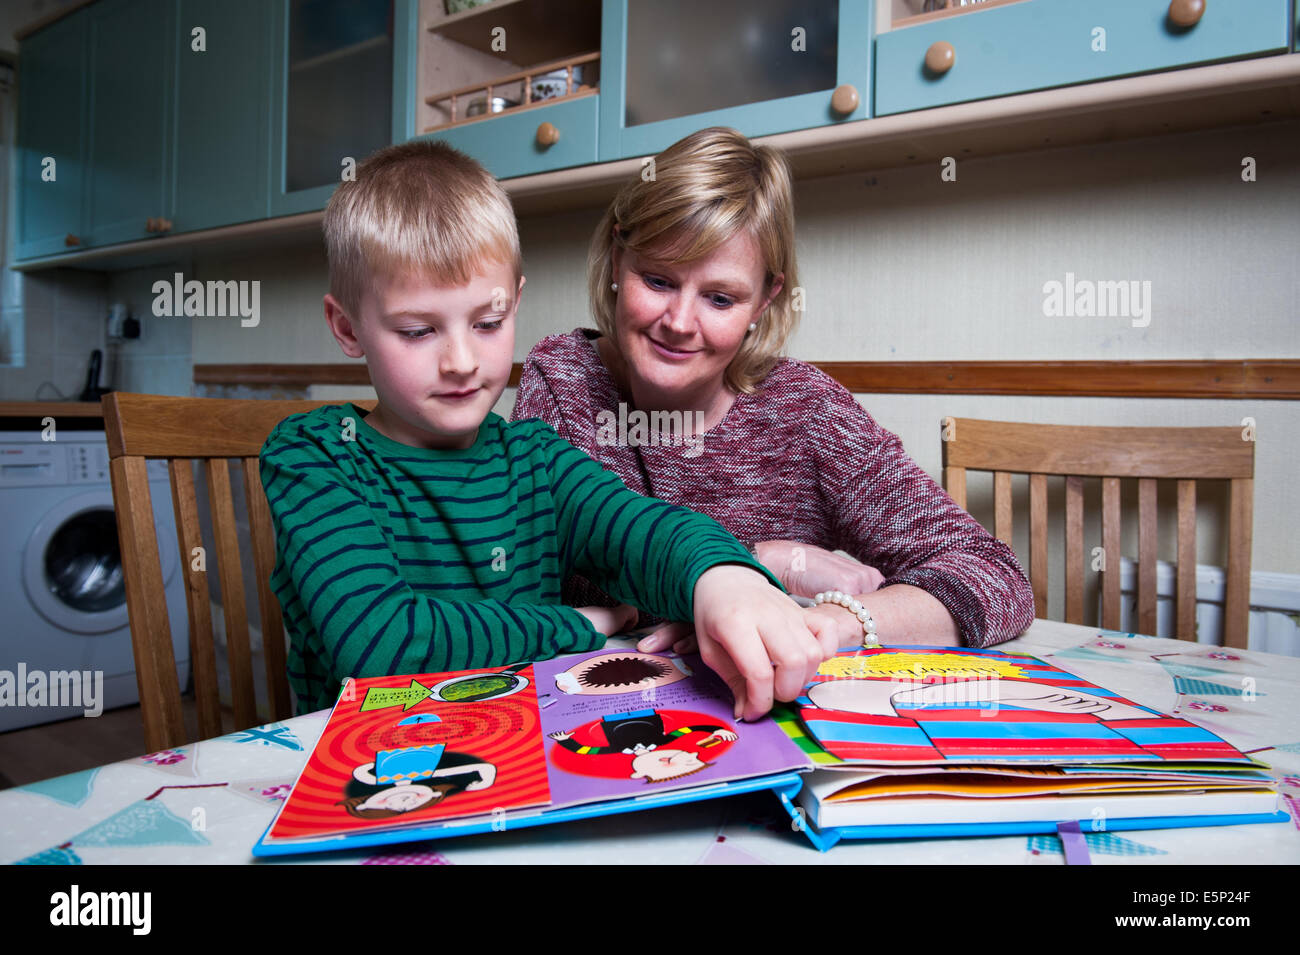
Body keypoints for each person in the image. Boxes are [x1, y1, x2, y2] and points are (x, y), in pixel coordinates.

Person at [259, 140, 840, 722]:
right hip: (364, 775)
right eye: (417, 331)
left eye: (488, 323)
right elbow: (383, 643)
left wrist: (723, 578)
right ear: (347, 326)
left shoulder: (534, 458)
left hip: (521, 762)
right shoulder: (313, 456)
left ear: (515, 303)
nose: (461, 360)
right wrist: (581, 624)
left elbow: (644, 529)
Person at [511, 126, 1035, 658]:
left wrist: (835, 623)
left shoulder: (806, 410)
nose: (679, 322)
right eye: (658, 280)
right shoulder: (563, 377)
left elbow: (992, 576)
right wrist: (766, 564)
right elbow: (527, 586)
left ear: (765, 301)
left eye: (720, 298)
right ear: (618, 258)